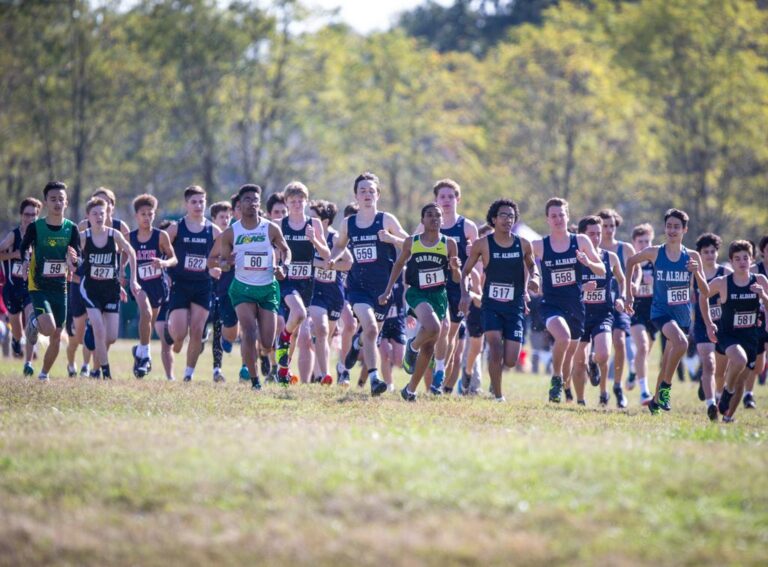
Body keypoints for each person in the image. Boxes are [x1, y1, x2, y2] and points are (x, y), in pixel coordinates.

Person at [328, 172, 409, 396]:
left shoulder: (387, 220)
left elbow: (409, 243)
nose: (367, 195)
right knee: (371, 329)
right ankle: (375, 379)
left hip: (384, 291)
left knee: (369, 335)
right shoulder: (348, 223)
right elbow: (339, 246)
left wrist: (392, 239)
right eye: (362, 191)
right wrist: (333, 259)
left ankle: (356, 345)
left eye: (371, 191)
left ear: (378, 195)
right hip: (358, 288)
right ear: (356, 196)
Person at [625, 208, 708, 415]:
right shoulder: (655, 252)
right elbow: (630, 262)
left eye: (676, 227)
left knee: (668, 359)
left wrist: (696, 271)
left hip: (682, 316)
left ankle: (654, 402)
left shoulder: (693, 256)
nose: (672, 230)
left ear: (684, 230)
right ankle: (665, 389)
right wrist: (628, 294)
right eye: (669, 226)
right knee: (681, 343)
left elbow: (705, 291)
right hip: (660, 312)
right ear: (664, 228)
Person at [207, 184, 290, 390]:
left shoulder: (270, 228)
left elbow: (286, 250)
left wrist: (284, 266)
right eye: (247, 200)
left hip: (267, 288)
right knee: (249, 331)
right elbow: (221, 262)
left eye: (255, 200)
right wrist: (227, 264)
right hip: (242, 288)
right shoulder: (230, 233)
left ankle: (267, 359)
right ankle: (254, 381)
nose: (252, 203)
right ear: (239, 205)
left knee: (267, 341)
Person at [379, 203, 461, 400]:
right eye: (429, 215)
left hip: (439, 295)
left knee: (429, 346)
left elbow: (456, 279)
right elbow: (399, 265)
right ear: (422, 220)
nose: (434, 218)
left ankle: (410, 390)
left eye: (438, 215)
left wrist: (455, 268)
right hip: (417, 293)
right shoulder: (412, 242)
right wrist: (388, 290)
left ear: (443, 220)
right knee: (434, 328)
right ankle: (412, 347)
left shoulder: (449, 244)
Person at [460, 199, 537, 401]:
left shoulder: (523, 244)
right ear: (493, 219)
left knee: (510, 360)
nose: (507, 219)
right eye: (503, 215)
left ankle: (496, 375)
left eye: (511, 216)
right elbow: (465, 272)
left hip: (515, 306)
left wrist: (534, 280)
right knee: (494, 347)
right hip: (491, 305)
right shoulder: (483, 244)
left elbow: (532, 267)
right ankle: (498, 395)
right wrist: (464, 293)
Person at [531, 197, 606, 403]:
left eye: (561, 215)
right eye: (553, 216)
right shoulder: (539, 245)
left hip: (575, 306)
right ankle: (556, 379)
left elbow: (602, 269)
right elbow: (523, 263)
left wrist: (587, 261)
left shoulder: (580, 241)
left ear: (567, 216)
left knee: (570, 353)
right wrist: (532, 278)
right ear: (547, 219)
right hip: (551, 305)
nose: (558, 219)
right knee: (562, 338)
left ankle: (565, 388)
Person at [19, 181, 80, 381]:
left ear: (66, 202)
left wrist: (74, 261)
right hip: (38, 286)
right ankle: (34, 321)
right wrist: (26, 258)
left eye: (61, 199)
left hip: (61, 287)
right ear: (45, 202)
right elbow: (24, 248)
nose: (57, 203)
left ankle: (43, 375)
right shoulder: (36, 227)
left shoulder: (71, 229)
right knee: (49, 328)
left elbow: (77, 257)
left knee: (56, 336)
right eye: (53, 199)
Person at [703, 241, 768, 422]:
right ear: (731, 261)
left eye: (745, 258)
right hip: (727, 335)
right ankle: (726, 391)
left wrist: (763, 295)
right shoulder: (722, 282)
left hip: (751, 337)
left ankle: (728, 417)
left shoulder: (760, 281)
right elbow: (703, 296)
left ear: (752, 259)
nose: (742, 262)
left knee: (742, 381)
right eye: (737, 259)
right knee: (739, 360)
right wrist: (709, 324)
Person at [274, 182, 331, 384]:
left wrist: (314, 240)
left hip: (307, 282)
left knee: (297, 331)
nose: (297, 204)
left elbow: (326, 254)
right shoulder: (280, 224)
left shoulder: (313, 224)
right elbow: (272, 251)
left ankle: (282, 371)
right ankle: (283, 337)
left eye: (300, 201)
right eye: (293, 201)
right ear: (287, 203)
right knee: (298, 314)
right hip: (286, 280)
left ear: (306, 202)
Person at [78, 197, 140, 379]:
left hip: (111, 289)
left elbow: (131, 252)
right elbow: (69, 254)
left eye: (102, 213)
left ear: (107, 215)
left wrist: (133, 279)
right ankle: (105, 372)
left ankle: (97, 368)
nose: (98, 217)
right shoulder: (83, 237)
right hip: (90, 289)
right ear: (87, 216)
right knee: (98, 328)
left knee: (111, 336)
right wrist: (71, 263)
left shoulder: (114, 235)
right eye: (94, 213)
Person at [425, 179, 478, 391]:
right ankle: (435, 375)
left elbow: (478, 259)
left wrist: (474, 281)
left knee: (450, 334)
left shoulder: (467, 226)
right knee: (438, 331)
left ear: (458, 199)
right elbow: (413, 247)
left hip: (458, 286)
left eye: (450, 197)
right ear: (435, 200)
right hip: (433, 285)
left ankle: (440, 377)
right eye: (442, 197)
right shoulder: (427, 224)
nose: (446, 201)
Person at [165, 185, 221, 382]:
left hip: (202, 286)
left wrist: (217, 267)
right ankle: (174, 333)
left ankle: (188, 374)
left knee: (197, 330)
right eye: (194, 202)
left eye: (201, 202)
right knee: (180, 335)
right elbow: (163, 250)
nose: (198, 205)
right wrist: (167, 272)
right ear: (186, 204)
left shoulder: (213, 230)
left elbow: (222, 257)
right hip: (180, 284)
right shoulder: (175, 228)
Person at [571, 216, 626, 407]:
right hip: (579, 315)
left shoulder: (610, 257)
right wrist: (581, 289)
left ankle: (600, 383)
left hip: (603, 314)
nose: (595, 238)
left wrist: (622, 297)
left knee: (603, 354)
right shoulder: (573, 258)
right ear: (582, 236)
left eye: (598, 234)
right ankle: (580, 400)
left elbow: (621, 279)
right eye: (591, 234)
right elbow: (563, 288)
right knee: (579, 363)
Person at [129, 194, 177, 378]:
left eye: (150, 214)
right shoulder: (130, 238)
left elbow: (174, 259)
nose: (147, 217)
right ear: (136, 216)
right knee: (146, 314)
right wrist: (121, 276)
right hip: (139, 285)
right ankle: (146, 354)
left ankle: (140, 353)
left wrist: (163, 263)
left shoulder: (161, 236)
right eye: (143, 214)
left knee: (149, 321)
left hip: (158, 285)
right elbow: (122, 258)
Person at [308, 200, 353, 385]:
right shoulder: (306, 238)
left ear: (324, 222)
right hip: (314, 291)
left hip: (334, 293)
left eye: (312, 218)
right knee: (322, 329)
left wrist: (332, 264)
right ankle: (323, 375)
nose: (307, 222)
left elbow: (349, 263)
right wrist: (317, 263)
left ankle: (317, 374)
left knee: (326, 336)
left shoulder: (335, 238)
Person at [597, 209, 636, 395]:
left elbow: (634, 271)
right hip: (596, 304)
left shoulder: (625, 248)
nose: (608, 229)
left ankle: (617, 385)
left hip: (618, 302)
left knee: (619, 342)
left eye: (612, 225)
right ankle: (602, 387)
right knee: (599, 350)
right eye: (605, 226)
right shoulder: (591, 249)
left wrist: (632, 287)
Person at [0, 198, 41, 369]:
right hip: (11, 288)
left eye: (33, 215)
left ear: (38, 216)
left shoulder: (41, 236)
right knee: (16, 326)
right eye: (26, 214)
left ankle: (28, 363)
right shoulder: (14, 235)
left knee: (32, 320)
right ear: (21, 215)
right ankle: (17, 341)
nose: (30, 218)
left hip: (31, 288)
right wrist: (14, 255)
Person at [692, 233, 729, 420]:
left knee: (721, 370)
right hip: (701, 325)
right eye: (705, 252)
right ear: (699, 254)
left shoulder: (726, 274)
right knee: (709, 363)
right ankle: (711, 405)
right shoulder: (693, 275)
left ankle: (718, 394)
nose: (709, 255)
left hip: (724, 326)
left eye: (713, 251)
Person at [627, 223, 656, 405]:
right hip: (636, 309)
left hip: (654, 310)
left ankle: (632, 370)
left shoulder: (657, 263)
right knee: (643, 347)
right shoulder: (631, 262)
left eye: (647, 241)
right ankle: (645, 392)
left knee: (645, 352)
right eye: (641, 241)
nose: (644, 245)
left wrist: (655, 282)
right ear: (634, 243)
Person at [209, 200, 237, 382]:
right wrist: (213, 268)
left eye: (228, 217)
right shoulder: (208, 236)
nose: (225, 220)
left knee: (222, 327)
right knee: (214, 326)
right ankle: (216, 369)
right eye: (221, 217)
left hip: (228, 287)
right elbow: (206, 261)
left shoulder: (234, 236)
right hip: (209, 287)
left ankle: (220, 368)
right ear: (213, 219)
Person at [747, 235, 768, 408]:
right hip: (757, 321)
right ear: (762, 252)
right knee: (757, 365)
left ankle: (748, 394)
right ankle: (748, 393)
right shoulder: (754, 270)